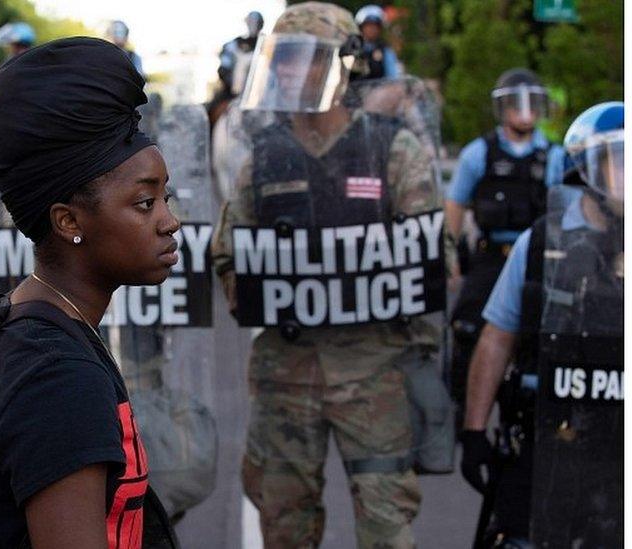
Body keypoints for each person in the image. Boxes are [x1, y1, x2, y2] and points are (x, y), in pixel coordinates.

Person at [212, 3, 453, 547]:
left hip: (374, 374)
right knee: (285, 527)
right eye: (284, 59)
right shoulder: (264, 156)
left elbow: (433, 255)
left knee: (388, 527)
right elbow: (227, 258)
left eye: (306, 59)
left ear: (346, 65)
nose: (290, 72)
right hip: (285, 374)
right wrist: (263, 290)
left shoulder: (392, 148)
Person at [0, 36, 181, 548]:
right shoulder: (58, 379)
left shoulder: (30, 323)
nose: (169, 222)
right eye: (144, 203)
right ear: (68, 221)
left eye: (165, 198)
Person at [461, 101, 623, 548]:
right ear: (589, 167)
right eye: (623, 162)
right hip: (545, 445)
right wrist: (474, 432)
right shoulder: (540, 243)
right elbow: (497, 337)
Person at [445, 68, 565, 426]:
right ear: (503, 109)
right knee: (468, 329)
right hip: (490, 257)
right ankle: (465, 413)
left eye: (531, 104)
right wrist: (450, 256)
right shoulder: (478, 153)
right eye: (516, 104)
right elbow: (455, 204)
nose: (524, 112)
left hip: (540, 259)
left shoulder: (554, 157)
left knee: (545, 335)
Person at [207, 11, 263, 126]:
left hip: (260, 94)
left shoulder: (266, 45)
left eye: (256, 23)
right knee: (210, 112)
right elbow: (223, 69)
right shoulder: (232, 45)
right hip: (231, 93)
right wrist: (234, 87)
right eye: (251, 22)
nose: (253, 26)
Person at [351, 5, 400, 81]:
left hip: (378, 91)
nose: (372, 30)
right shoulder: (351, 48)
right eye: (368, 26)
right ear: (361, 27)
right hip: (351, 91)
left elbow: (392, 78)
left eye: (375, 26)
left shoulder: (385, 50)